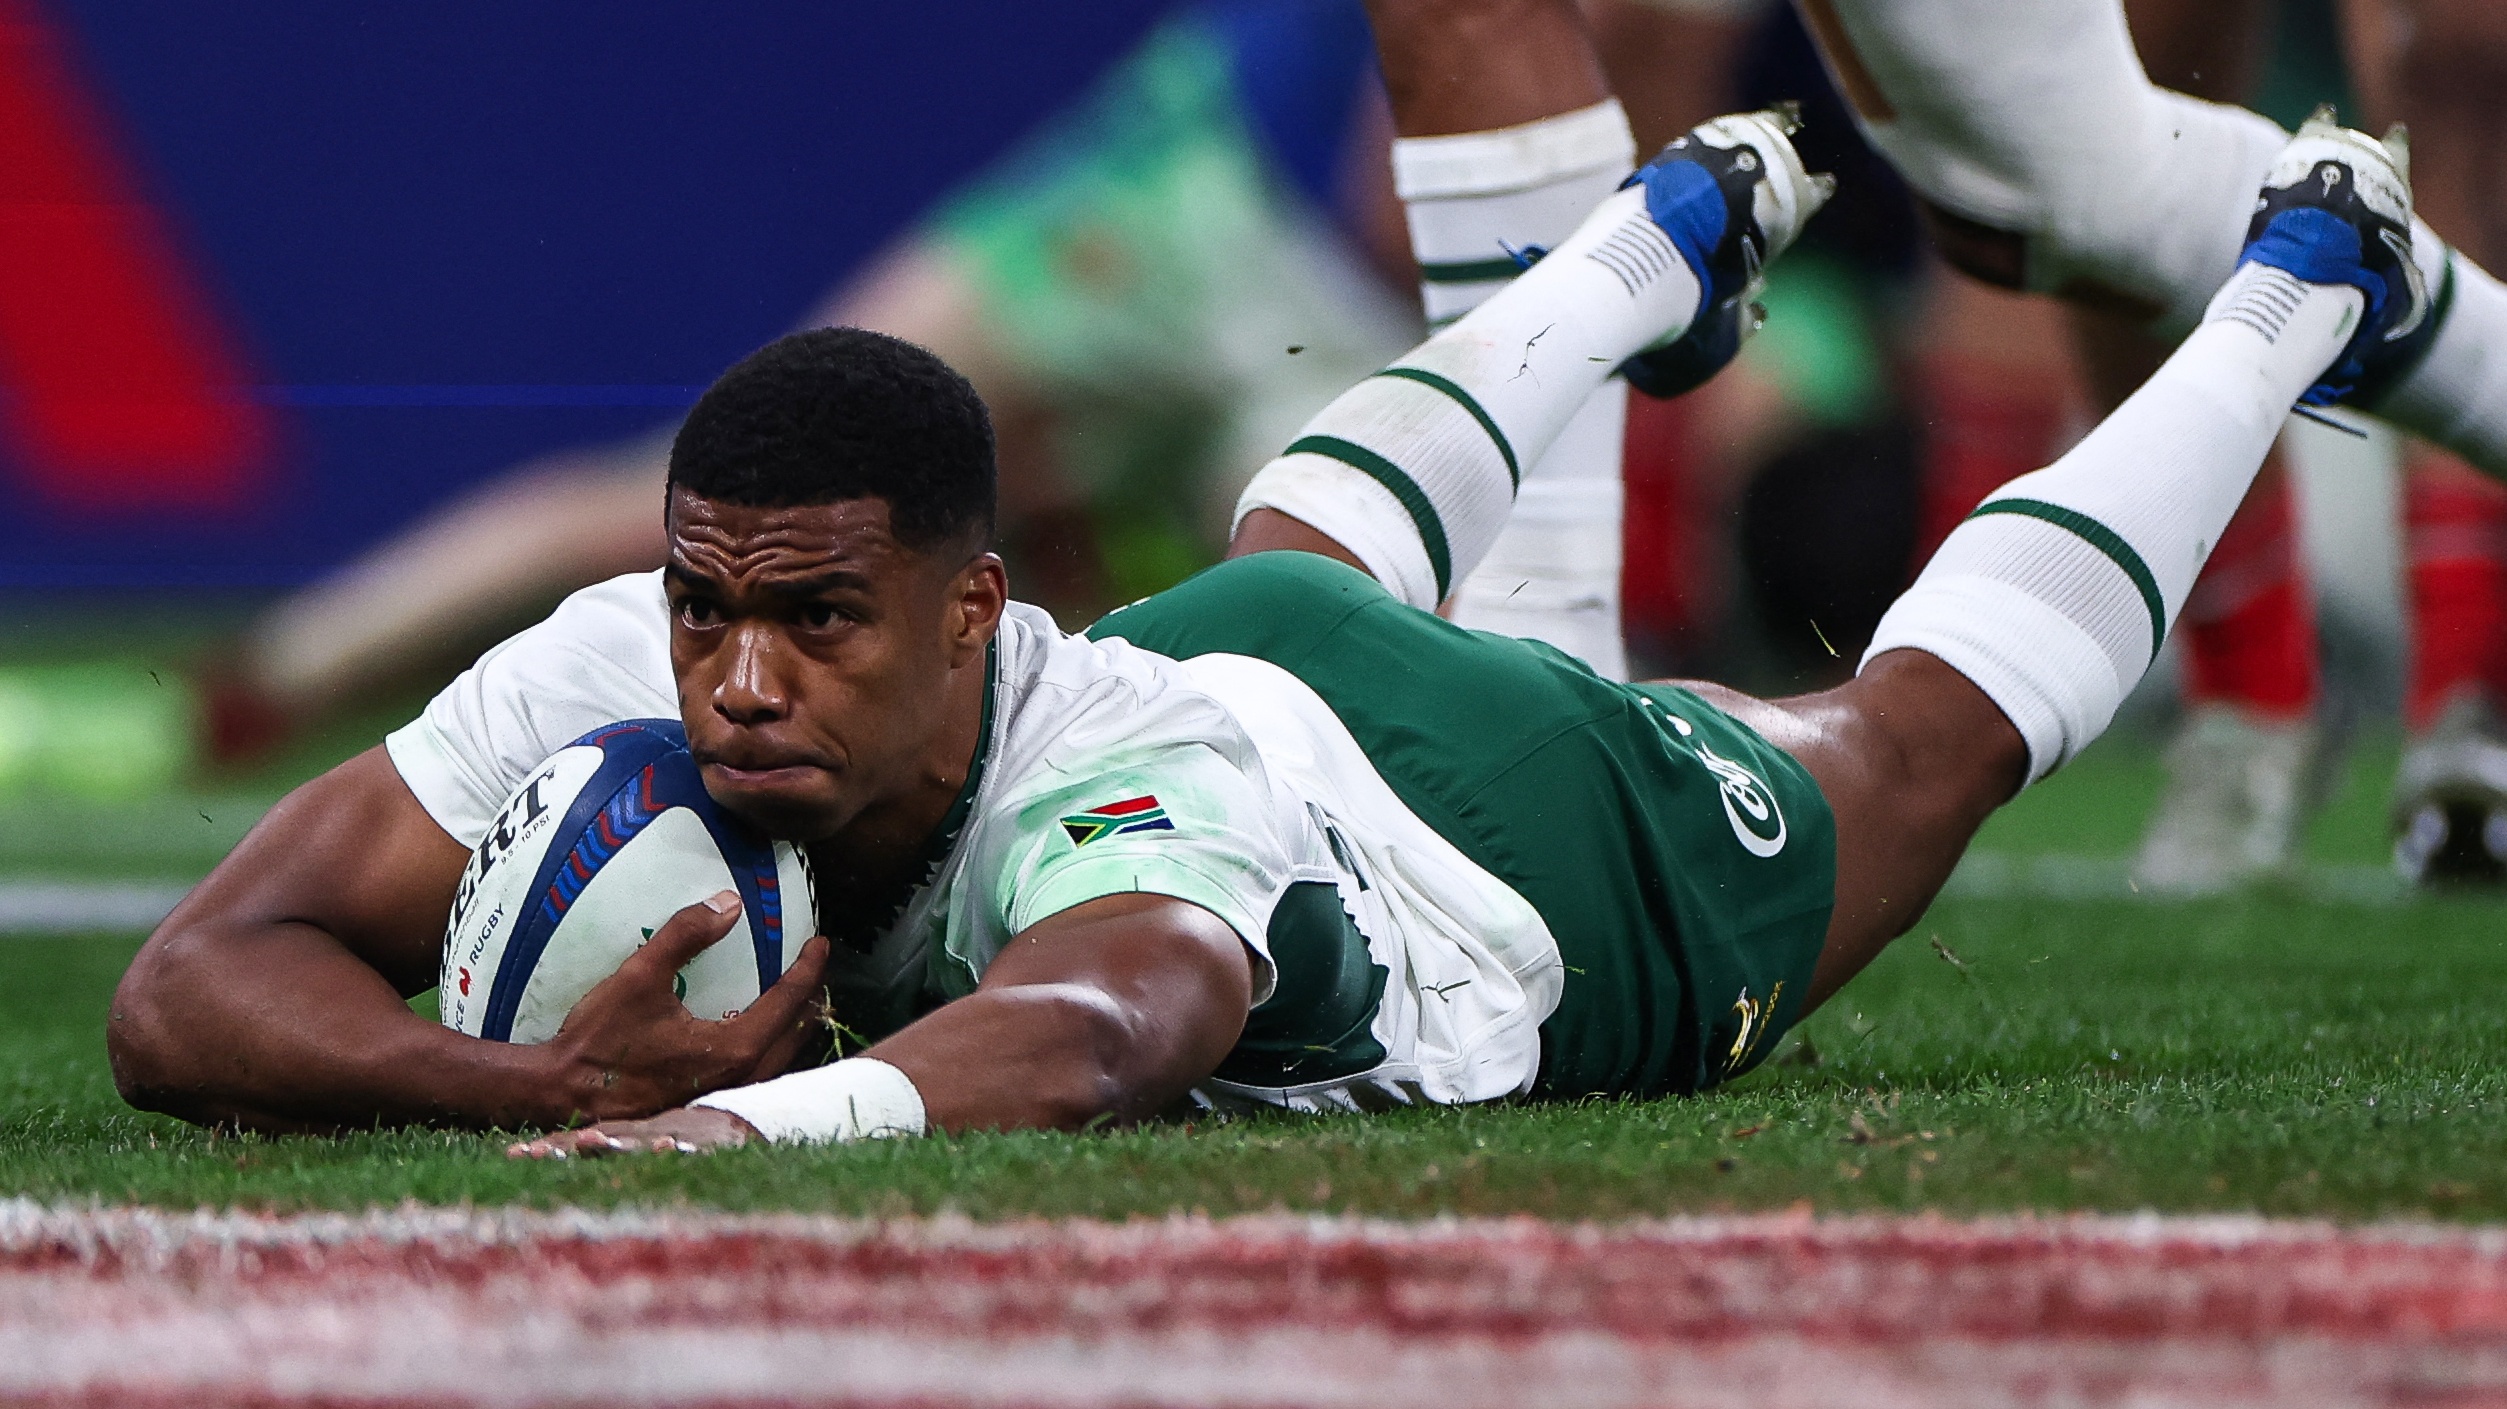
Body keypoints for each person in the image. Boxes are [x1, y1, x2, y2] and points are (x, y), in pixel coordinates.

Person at [107, 68, 2426, 1145]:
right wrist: (518, 1078)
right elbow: (187, 986)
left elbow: (1117, 1023)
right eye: (711, 607)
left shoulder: (1133, 769)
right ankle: (1635, 265)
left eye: (816, 618)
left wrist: (723, 1135)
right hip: (1253, 625)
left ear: (979, 611)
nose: (735, 676)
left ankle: (2301, 293)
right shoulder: (626, 657)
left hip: (1508, 859)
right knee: (1289, 558)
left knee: (1906, 751)